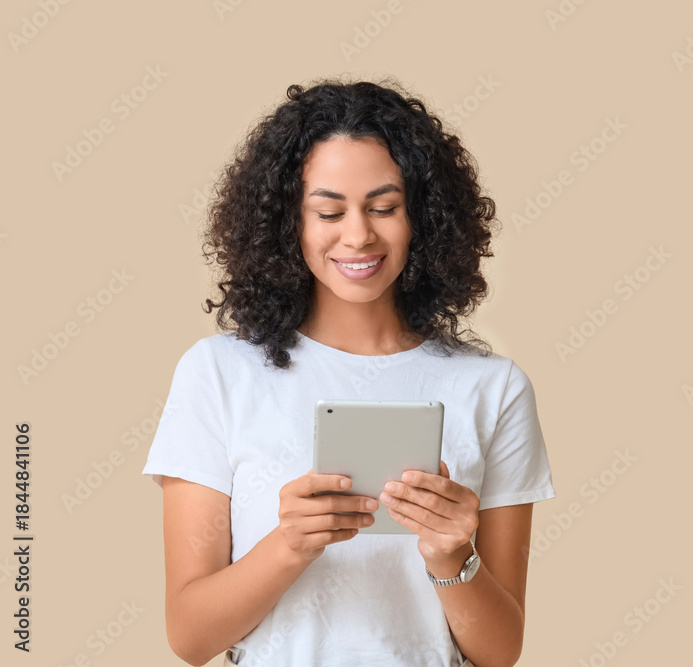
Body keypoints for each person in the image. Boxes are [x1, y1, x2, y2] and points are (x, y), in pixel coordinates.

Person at [141, 77, 556, 667]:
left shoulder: (494, 388)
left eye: (384, 208)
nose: (358, 234)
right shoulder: (218, 374)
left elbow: (500, 652)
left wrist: (451, 557)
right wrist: (289, 545)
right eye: (329, 211)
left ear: (424, 219)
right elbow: (190, 636)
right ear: (290, 223)